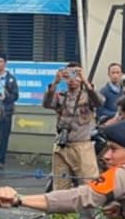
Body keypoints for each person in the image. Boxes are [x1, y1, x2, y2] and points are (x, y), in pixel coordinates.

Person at [42, 62, 102, 191]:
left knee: (89, 184)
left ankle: (88, 211)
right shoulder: (61, 96)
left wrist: (87, 82)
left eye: (75, 74)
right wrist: (55, 83)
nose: (72, 80)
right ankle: (60, 211)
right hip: (62, 146)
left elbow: (99, 102)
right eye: (68, 75)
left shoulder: (87, 95)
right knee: (60, 185)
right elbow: (47, 104)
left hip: (82, 146)